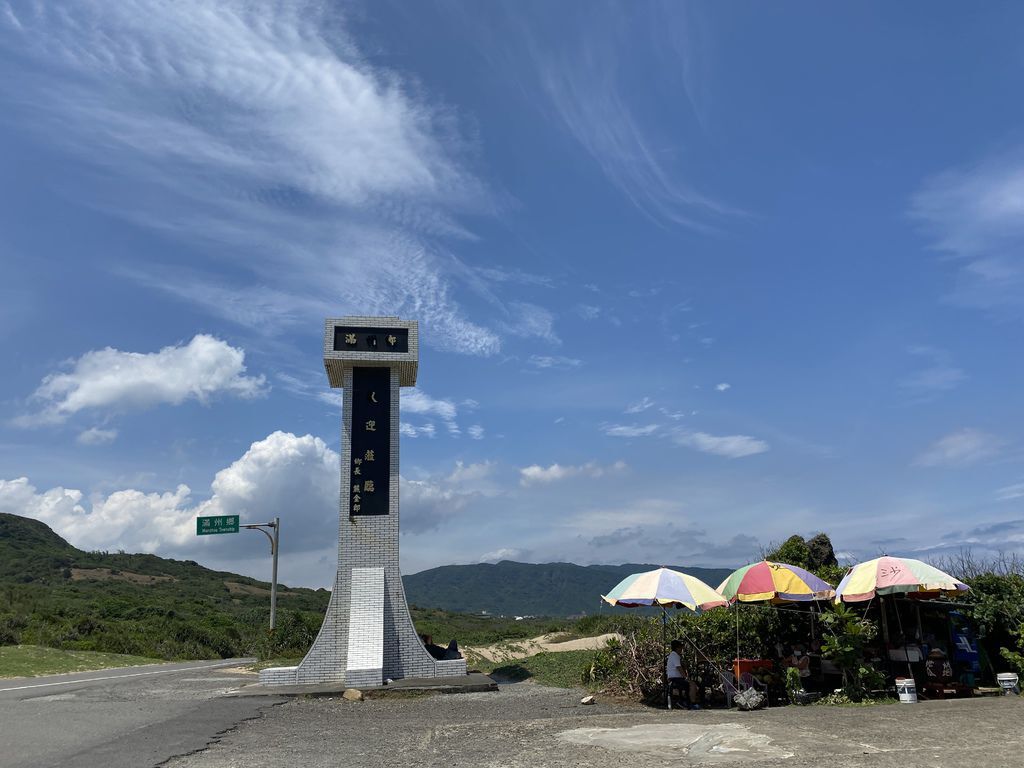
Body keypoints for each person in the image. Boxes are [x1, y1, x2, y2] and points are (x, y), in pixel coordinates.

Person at [666, 640, 698, 709]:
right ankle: (693, 703)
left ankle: (685, 701)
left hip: (674, 678)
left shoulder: (673, 655)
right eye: (681, 648)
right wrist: (686, 677)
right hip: (675, 679)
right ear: (677, 648)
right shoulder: (675, 655)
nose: (681, 649)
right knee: (692, 684)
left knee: (689, 685)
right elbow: (679, 668)